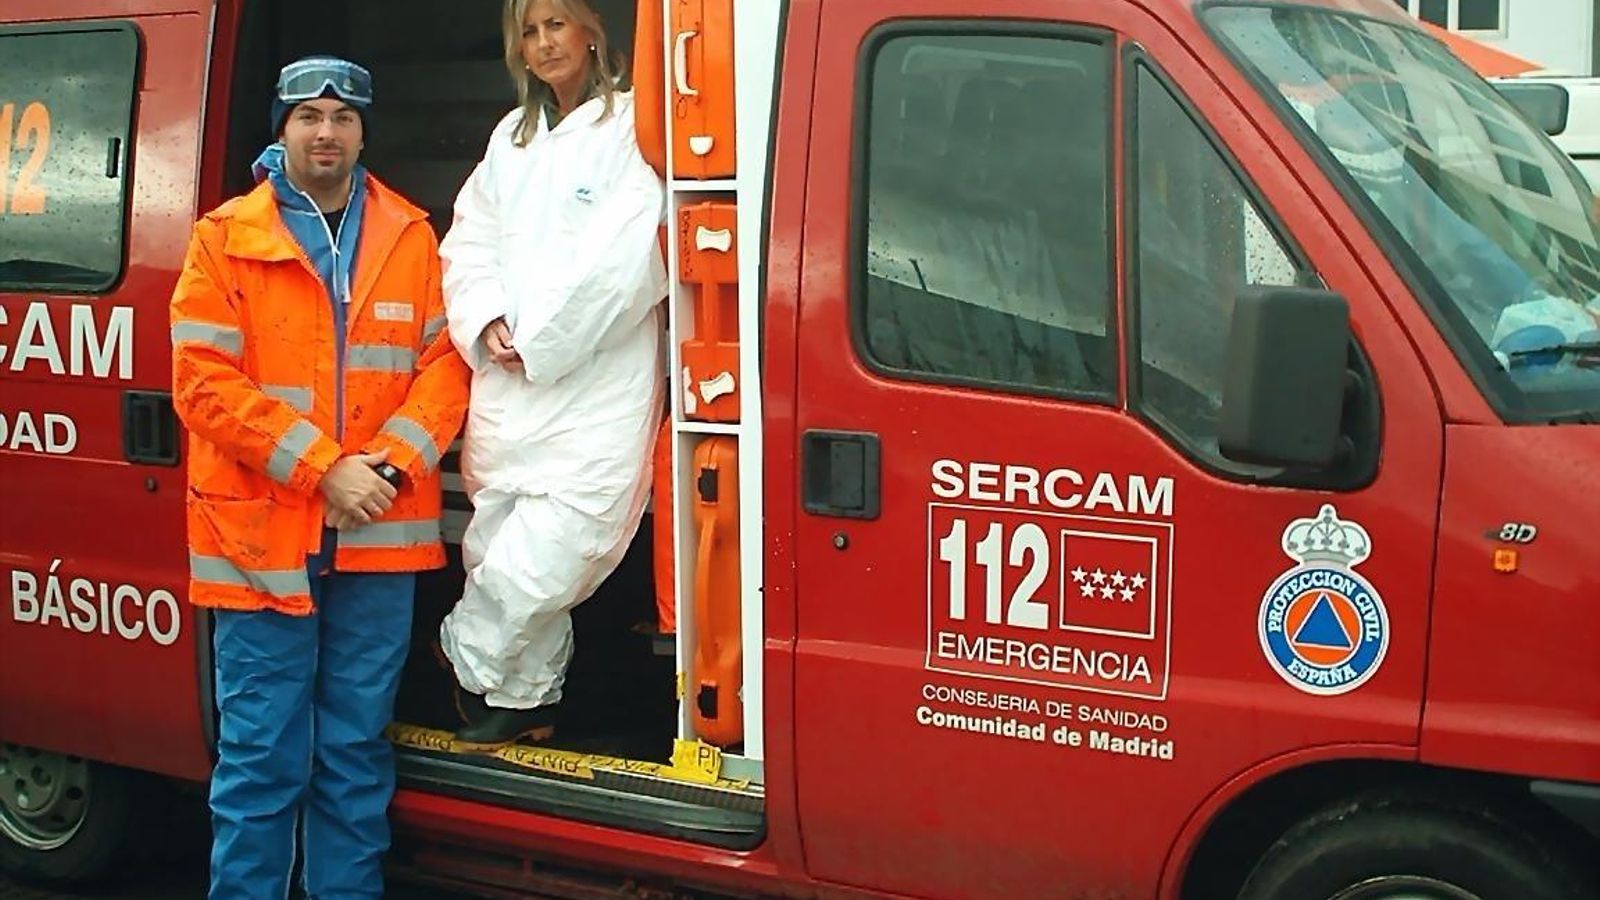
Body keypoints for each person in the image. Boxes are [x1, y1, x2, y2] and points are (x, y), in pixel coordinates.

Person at [169, 55, 470, 900]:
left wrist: (392, 463)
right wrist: (324, 467)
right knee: (261, 759)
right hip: (262, 542)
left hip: (376, 537)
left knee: (353, 753)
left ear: (364, 129)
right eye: (308, 116)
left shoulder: (412, 238)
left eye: (341, 116)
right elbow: (201, 382)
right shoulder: (225, 237)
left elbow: (448, 367)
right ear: (282, 128)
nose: (325, 131)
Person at [437, 0, 668, 748]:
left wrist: (540, 341)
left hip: (594, 387)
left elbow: (634, 259)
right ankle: (522, 703)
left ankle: (460, 660)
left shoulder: (637, 127)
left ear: (593, 31)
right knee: (496, 548)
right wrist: (487, 320)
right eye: (529, 33)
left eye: (556, 26)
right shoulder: (512, 138)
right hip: (507, 388)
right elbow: (467, 243)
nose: (543, 45)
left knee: (547, 562)